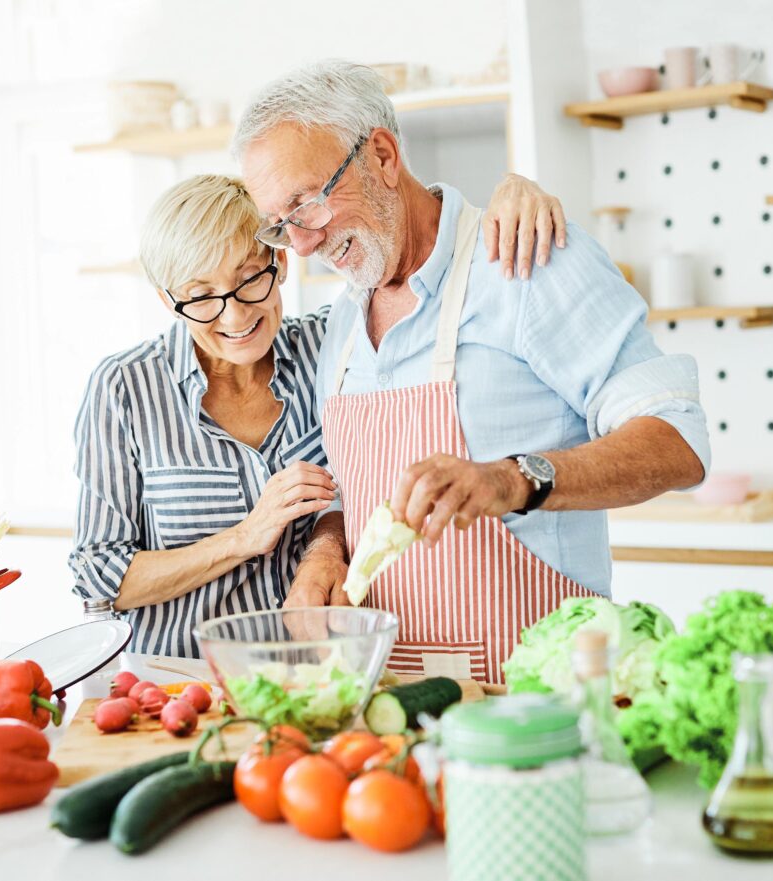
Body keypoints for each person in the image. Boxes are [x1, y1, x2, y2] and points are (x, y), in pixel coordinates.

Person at [234, 61, 710, 680]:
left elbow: (679, 442)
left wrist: (513, 481)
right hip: (391, 696)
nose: (299, 245)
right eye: (280, 224)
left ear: (381, 155)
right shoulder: (343, 324)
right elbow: (357, 490)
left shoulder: (526, 259)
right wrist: (326, 549)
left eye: (307, 205)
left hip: (540, 697)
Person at [68, 171, 565, 657]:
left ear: (280, 262)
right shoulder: (124, 388)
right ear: (168, 301)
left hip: (320, 675)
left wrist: (508, 195)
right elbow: (99, 575)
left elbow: (417, 258)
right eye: (200, 297)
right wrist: (245, 537)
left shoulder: (332, 344)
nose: (236, 316)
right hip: (181, 682)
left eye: (249, 279)